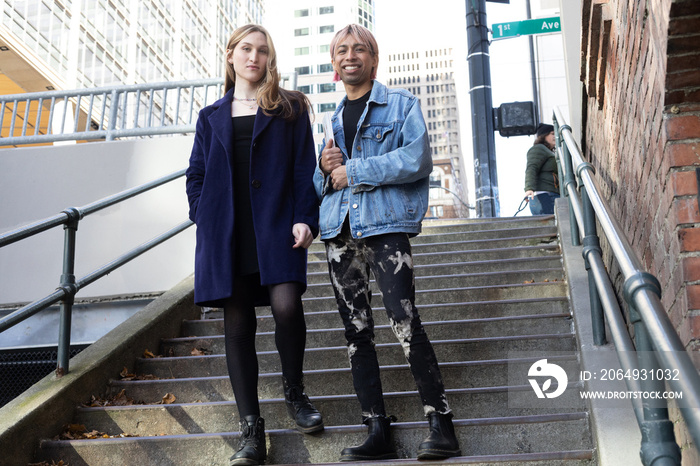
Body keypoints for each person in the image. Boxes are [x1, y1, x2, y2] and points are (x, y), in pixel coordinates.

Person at [313, 24, 461, 462]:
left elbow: (416, 160)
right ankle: (376, 429)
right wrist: (322, 168)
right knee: (355, 333)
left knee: (404, 321)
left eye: (360, 49)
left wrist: (354, 170)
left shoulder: (400, 106)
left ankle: (441, 425)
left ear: (374, 60)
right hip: (339, 233)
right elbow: (318, 187)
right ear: (334, 65)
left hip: (384, 228)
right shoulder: (331, 119)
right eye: (341, 50)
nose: (350, 55)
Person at [185, 24, 323, 466]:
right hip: (226, 233)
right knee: (238, 326)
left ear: (269, 59)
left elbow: (304, 169)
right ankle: (251, 431)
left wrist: (306, 217)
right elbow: (196, 175)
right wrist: (203, 215)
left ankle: (295, 392)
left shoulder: (290, 108)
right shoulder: (210, 116)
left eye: (262, 50)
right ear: (231, 56)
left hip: (276, 226)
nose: (254, 57)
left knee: (286, 305)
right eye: (246, 49)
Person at [524, 123, 560, 215]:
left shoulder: (547, 152)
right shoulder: (539, 148)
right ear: (544, 135)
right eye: (552, 133)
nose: (555, 136)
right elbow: (531, 168)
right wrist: (529, 188)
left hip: (548, 196)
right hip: (545, 197)